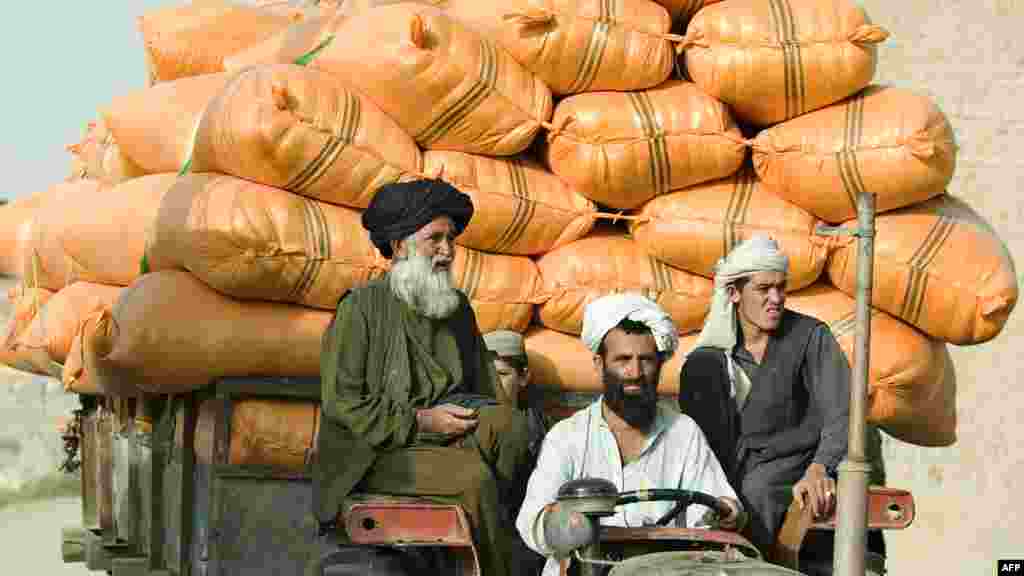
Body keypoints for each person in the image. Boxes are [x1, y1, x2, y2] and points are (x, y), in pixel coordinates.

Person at [312, 178, 533, 576]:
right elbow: (342, 403)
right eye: (434, 239)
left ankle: (515, 541)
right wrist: (420, 421)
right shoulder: (361, 309)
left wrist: (477, 423)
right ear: (399, 246)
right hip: (374, 453)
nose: (447, 251)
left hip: (447, 434)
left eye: (451, 239)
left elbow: (485, 389)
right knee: (473, 480)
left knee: (513, 428)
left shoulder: (457, 307)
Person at [677, 235, 886, 575]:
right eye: (763, 289)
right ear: (733, 294)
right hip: (733, 477)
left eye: (781, 288)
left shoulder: (809, 337)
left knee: (756, 491)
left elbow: (842, 413)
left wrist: (820, 468)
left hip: (798, 469)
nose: (776, 299)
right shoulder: (708, 363)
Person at [516, 293, 745, 576]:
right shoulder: (567, 437)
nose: (635, 372)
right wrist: (566, 525)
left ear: (660, 365)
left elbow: (714, 508)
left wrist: (727, 512)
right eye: (623, 359)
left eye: (646, 360)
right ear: (600, 364)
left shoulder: (684, 433)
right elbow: (532, 522)